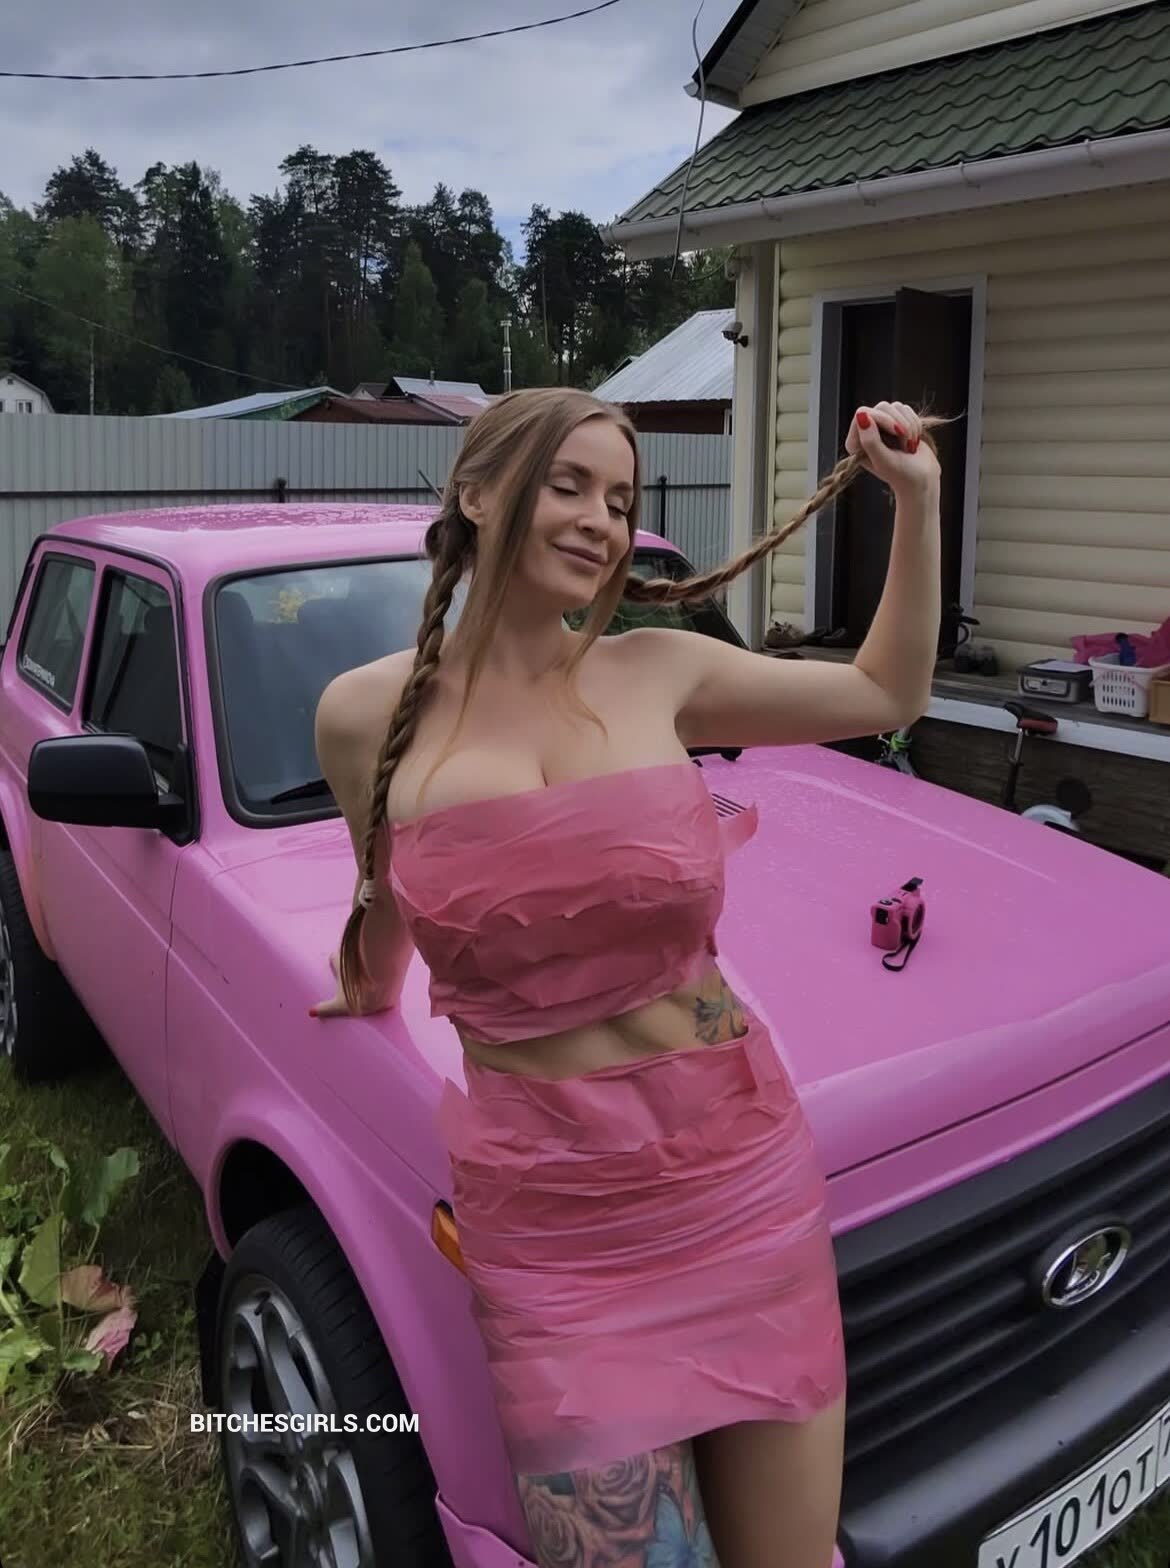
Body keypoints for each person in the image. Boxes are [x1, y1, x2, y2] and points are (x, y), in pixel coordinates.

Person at [311, 387, 943, 1568]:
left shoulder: (660, 670)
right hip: (556, 1226)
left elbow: (884, 694)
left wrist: (916, 502)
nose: (600, 519)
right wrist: (364, 985)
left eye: (619, 498)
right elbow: (383, 892)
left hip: (737, 1181)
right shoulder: (364, 715)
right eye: (569, 484)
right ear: (476, 491)